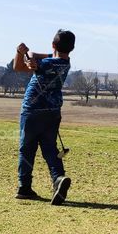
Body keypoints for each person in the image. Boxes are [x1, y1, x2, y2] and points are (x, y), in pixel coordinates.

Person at [13, 29, 75, 205]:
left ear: (53, 44)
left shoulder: (45, 63)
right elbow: (33, 59)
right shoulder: (66, 62)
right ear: (72, 48)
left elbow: (18, 68)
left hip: (32, 110)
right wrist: (26, 55)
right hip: (53, 111)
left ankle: (24, 187)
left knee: (26, 149)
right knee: (50, 148)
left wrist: (23, 54)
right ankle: (58, 179)